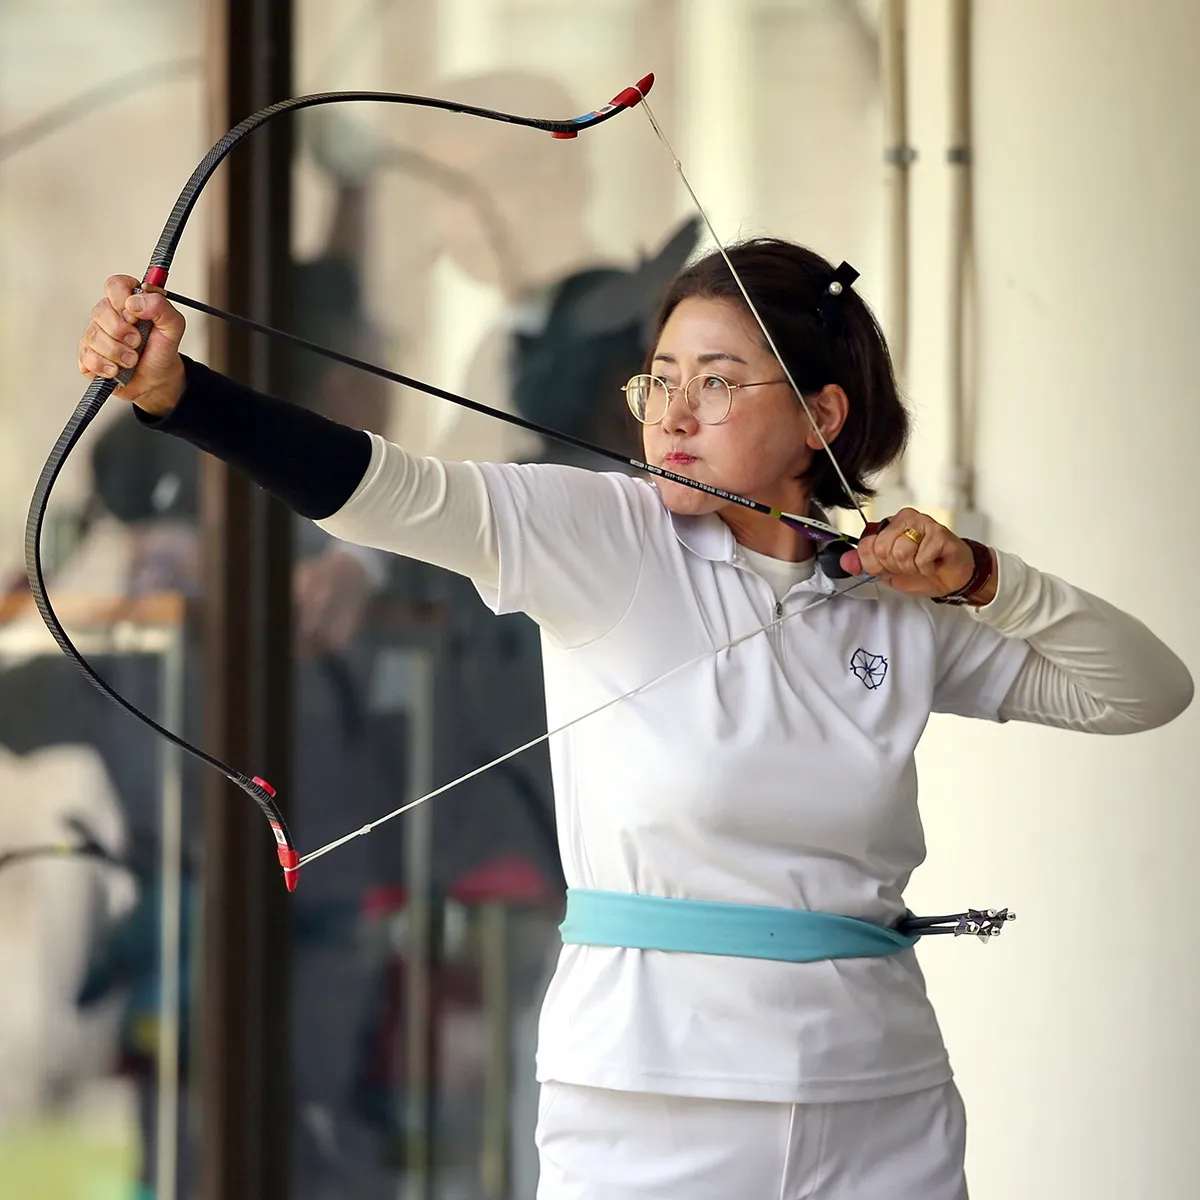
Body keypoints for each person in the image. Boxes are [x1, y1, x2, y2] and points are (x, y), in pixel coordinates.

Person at [77, 238, 1191, 1200]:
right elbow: (391, 488)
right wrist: (185, 397)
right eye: (659, 381)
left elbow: (1144, 689)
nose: (675, 413)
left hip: (880, 1097)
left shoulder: (895, 599)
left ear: (820, 416)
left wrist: (986, 578)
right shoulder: (603, 535)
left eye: (718, 381)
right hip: (651, 1098)